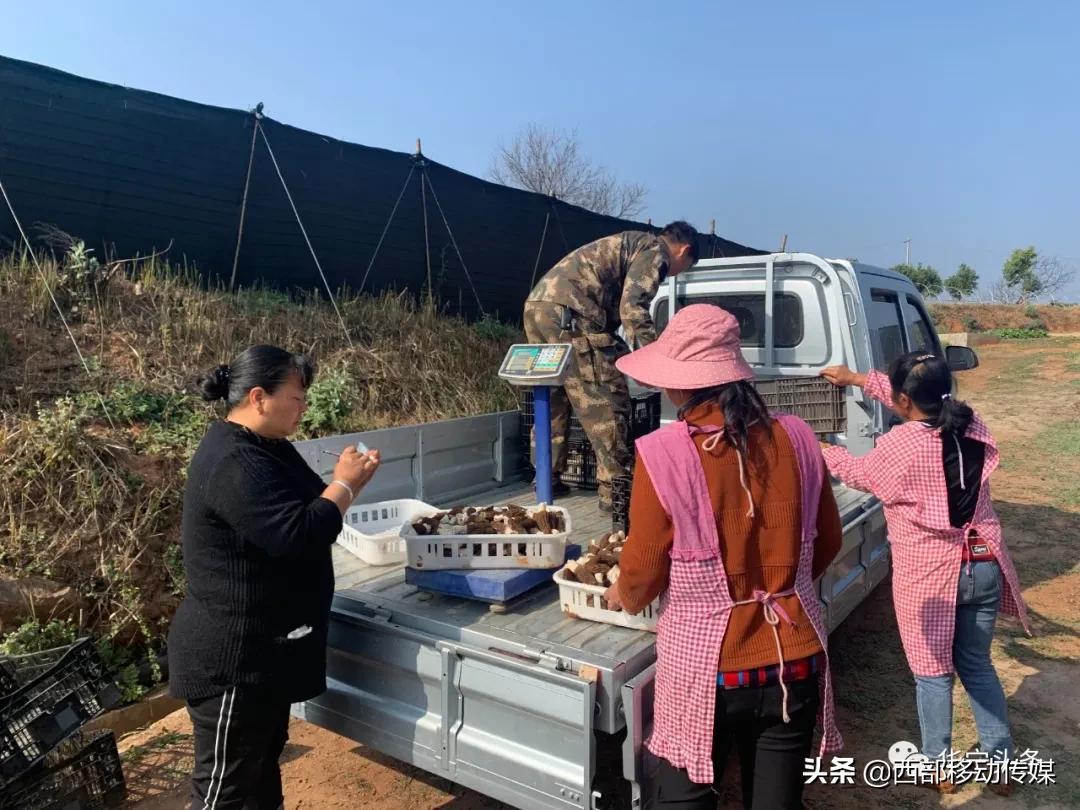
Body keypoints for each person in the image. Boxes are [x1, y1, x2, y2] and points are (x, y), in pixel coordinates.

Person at [603, 304, 844, 810]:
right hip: (792, 661)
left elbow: (643, 572)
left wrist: (621, 595)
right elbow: (827, 543)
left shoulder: (663, 454)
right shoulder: (799, 437)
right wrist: (781, 586)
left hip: (706, 672)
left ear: (680, 384)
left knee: (683, 800)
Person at [168, 345, 380, 810]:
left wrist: (348, 483)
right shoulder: (233, 461)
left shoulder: (268, 448)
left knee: (259, 778)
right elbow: (298, 533)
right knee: (224, 793)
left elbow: (312, 505)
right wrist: (344, 485)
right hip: (231, 662)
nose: (303, 408)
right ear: (260, 397)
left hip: (264, 656)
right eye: (297, 398)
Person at [820, 354, 1029, 796]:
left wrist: (816, 446)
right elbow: (913, 400)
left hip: (931, 577)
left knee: (932, 674)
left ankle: (939, 767)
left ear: (901, 398)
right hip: (982, 563)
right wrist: (858, 379)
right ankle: (1002, 764)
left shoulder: (901, 446)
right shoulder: (970, 424)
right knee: (976, 664)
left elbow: (860, 473)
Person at [524, 221, 699, 511]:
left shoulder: (632, 242)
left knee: (555, 398)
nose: (674, 274)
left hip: (539, 307)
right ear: (685, 250)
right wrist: (651, 360)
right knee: (605, 400)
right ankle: (615, 494)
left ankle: (546, 476)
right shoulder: (657, 252)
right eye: (686, 266)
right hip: (572, 313)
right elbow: (632, 308)